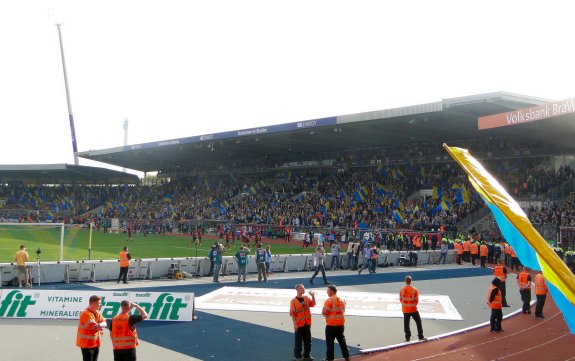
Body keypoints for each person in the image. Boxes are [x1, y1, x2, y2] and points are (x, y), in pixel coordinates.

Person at [322, 285, 350, 361]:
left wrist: (325, 313)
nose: (327, 292)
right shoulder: (342, 300)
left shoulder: (329, 300)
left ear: (332, 291)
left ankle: (330, 358)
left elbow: (324, 312)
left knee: (330, 343)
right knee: (342, 341)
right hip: (340, 324)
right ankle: (347, 357)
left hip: (331, 325)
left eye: (328, 291)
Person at [290, 284, 316, 361]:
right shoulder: (293, 301)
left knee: (308, 341)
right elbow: (292, 314)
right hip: (299, 324)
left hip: (307, 323)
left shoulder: (306, 298)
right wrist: (295, 324)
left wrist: (313, 296)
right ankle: (298, 357)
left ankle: (307, 355)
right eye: (302, 288)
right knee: (298, 341)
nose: (303, 289)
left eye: (304, 288)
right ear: (297, 290)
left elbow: (313, 304)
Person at [77, 295, 107, 361]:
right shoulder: (85, 313)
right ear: (93, 303)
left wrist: (99, 325)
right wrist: (100, 325)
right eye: (99, 303)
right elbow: (93, 326)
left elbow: (105, 323)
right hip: (87, 344)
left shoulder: (98, 313)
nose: (100, 305)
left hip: (95, 343)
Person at [399, 275, 425, 342]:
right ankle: (420, 336)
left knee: (406, 324)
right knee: (418, 322)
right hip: (413, 309)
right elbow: (416, 301)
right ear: (411, 281)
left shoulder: (401, 290)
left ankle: (407, 337)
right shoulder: (415, 290)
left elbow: (401, 299)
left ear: (405, 281)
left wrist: (406, 304)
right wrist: (412, 305)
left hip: (405, 309)